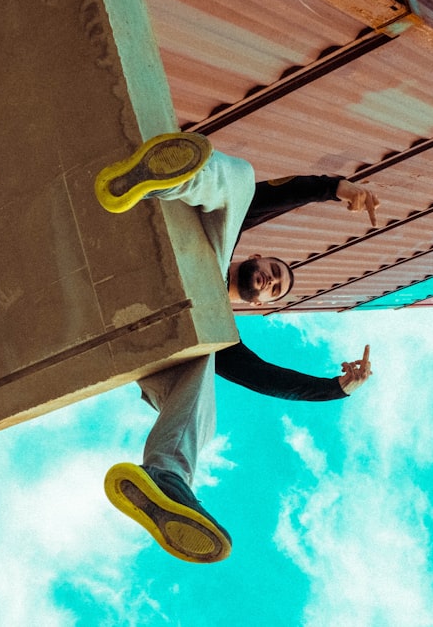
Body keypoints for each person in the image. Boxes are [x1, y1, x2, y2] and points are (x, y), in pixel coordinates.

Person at [97, 132, 377, 564]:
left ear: (262, 304)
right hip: (159, 236)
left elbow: (268, 379)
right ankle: (160, 179)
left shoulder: (221, 335)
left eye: (275, 288)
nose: (269, 280)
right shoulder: (220, 237)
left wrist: (336, 388)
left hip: (145, 330)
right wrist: (335, 188)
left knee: (203, 375)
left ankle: (166, 480)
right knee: (243, 179)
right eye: (272, 270)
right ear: (259, 257)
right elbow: (267, 196)